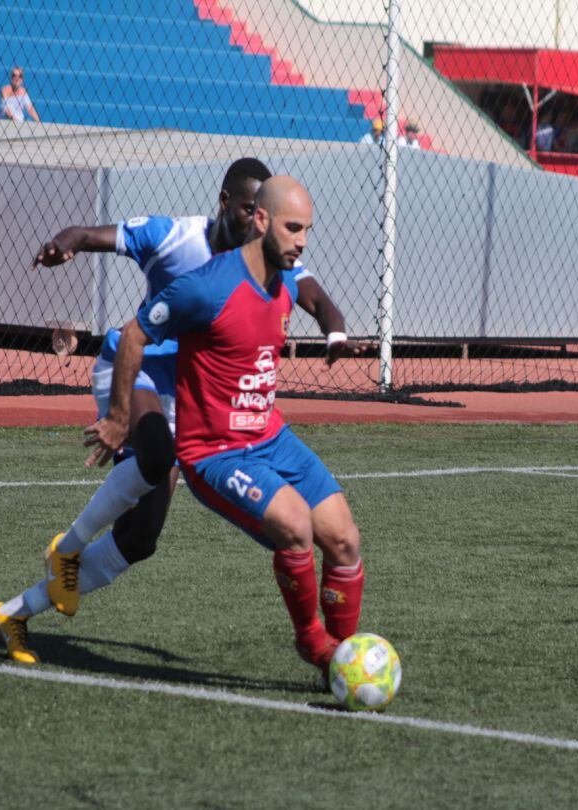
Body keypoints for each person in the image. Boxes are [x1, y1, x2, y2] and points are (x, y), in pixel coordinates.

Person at [0, 158, 273, 665]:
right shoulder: (177, 236)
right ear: (226, 202)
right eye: (249, 208)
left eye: (263, 212)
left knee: (140, 540)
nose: (256, 221)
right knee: (157, 453)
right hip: (127, 368)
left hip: (179, 397)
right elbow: (98, 235)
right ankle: (67, 547)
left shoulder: (262, 263)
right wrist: (66, 241)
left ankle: (13, 614)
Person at [83, 176, 368, 678]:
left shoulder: (285, 278)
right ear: (260, 220)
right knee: (297, 528)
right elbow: (133, 335)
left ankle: (344, 662)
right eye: (294, 228)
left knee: (345, 540)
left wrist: (335, 332)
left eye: (308, 230)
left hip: (270, 436)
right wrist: (120, 416)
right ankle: (314, 646)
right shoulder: (207, 285)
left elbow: (323, 303)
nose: (302, 240)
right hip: (215, 452)